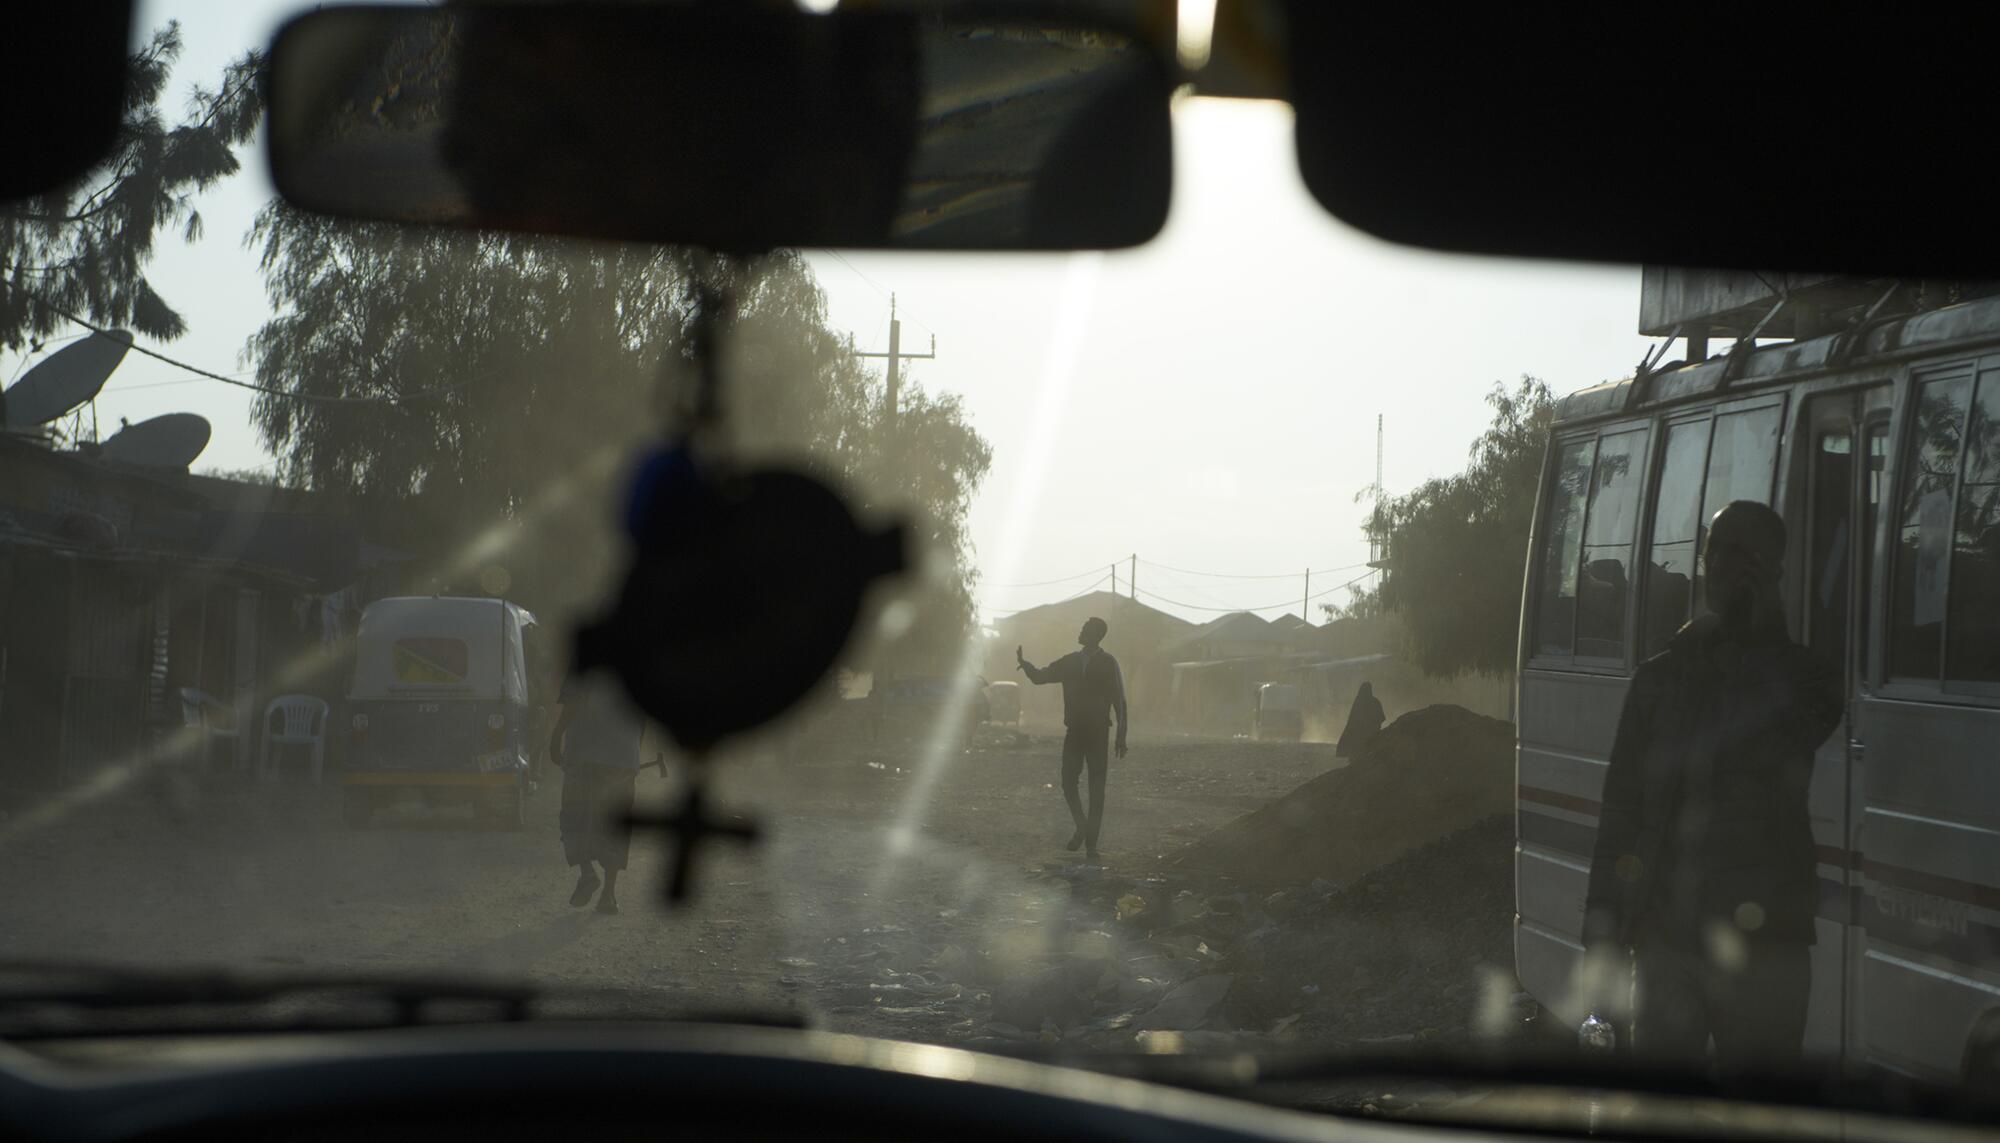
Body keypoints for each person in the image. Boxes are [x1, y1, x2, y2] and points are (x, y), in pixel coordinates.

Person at [1581, 500, 1842, 1072]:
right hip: (1666, 942)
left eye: (1742, 555)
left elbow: (1793, 729)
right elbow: (1621, 809)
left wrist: (1758, 623)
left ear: (1773, 570)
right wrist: (1603, 928)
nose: (1722, 566)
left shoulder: (1806, 677)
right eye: (1714, 551)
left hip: (1766, 945)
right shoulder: (1660, 677)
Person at [1018, 616, 1128, 863]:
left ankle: (1091, 846)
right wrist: (1026, 666)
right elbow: (1041, 676)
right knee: (1068, 781)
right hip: (1075, 731)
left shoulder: (1109, 663)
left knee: (1096, 789)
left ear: (1095, 634)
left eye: (1085, 629)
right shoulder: (1070, 661)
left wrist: (1121, 735)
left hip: (1099, 732)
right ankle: (1081, 825)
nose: (1080, 631)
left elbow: (1119, 700)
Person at [550, 669, 648, 915]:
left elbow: (572, 703)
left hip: (584, 752)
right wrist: (633, 753)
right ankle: (609, 895)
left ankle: (587, 872)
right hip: (623, 757)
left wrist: (555, 738)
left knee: (574, 815)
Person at [1336, 681, 1384, 758]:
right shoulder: (1375, 702)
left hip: (1360, 735)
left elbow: (1352, 719)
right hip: (1371, 733)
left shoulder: (1359, 702)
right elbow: (1381, 718)